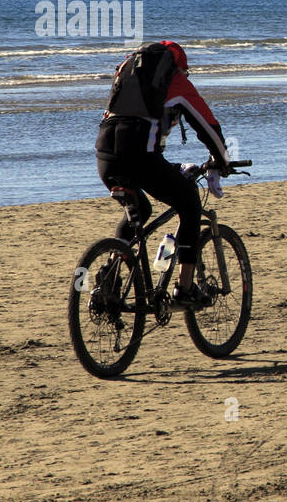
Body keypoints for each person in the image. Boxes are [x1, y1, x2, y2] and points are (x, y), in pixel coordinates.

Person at [95, 40, 233, 308]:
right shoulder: (175, 80)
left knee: (140, 209)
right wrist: (222, 160)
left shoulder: (128, 77)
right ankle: (185, 287)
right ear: (177, 67)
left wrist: (175, 167)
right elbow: (207, 126)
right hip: (140, 156)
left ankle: (109, 275)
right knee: (190, 203)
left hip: (105, 156)